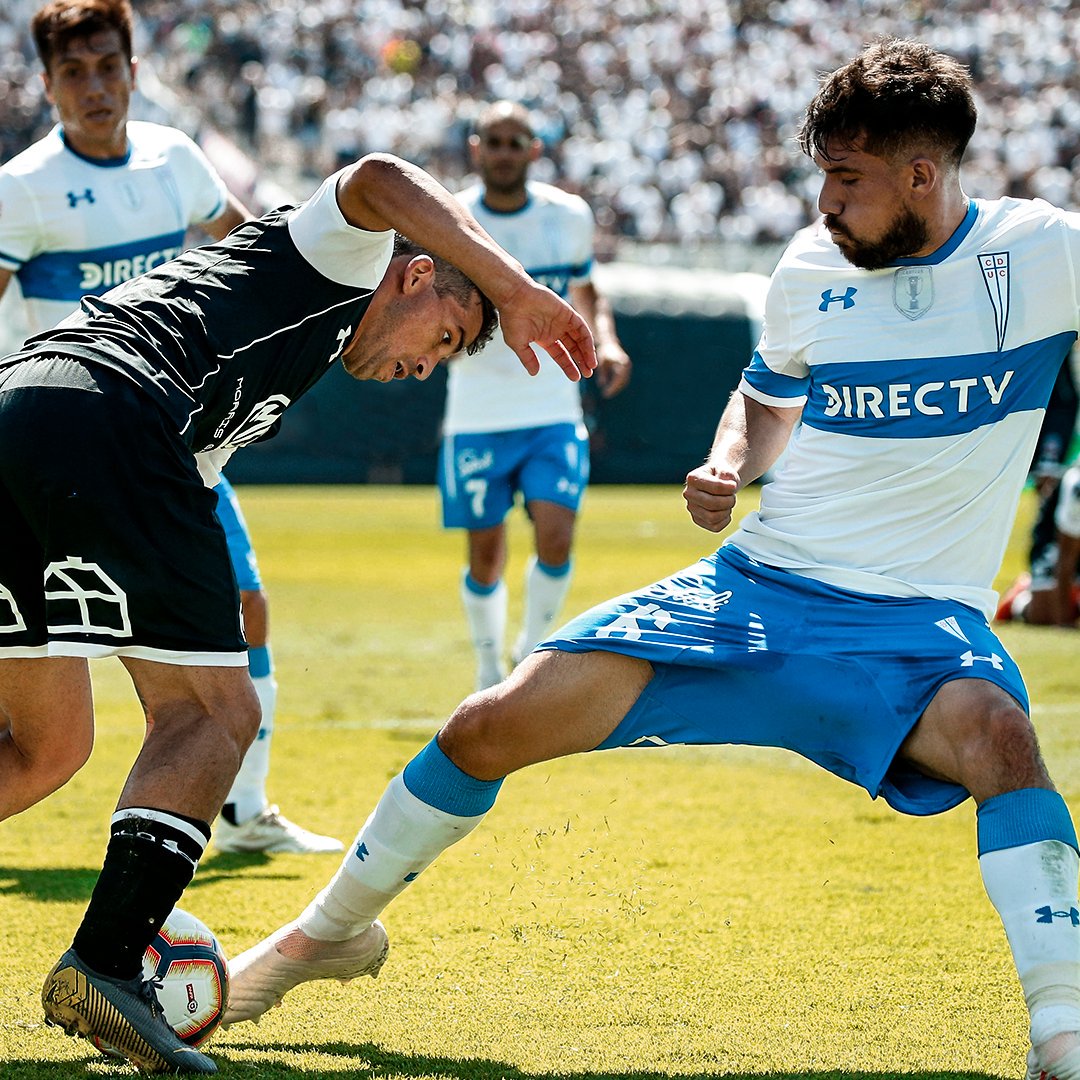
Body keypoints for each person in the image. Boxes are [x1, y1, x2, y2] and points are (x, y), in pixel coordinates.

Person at [225, 39, 1080, 1079]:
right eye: (820, 175)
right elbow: (769, 397)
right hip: (756, 589)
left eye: (846, 179)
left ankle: (1062, 1035)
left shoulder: (1041, 257)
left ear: (922, 174)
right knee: (486, 724)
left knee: (1000, 740)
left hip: (913, 626)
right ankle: (321, 939)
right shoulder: (813, 268)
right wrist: (730, 461)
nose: (824, 202)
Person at [0, 122, 595, 1073]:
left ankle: (106, 962)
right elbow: (378, 174)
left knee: (43, 748)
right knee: (213, 714)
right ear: (413, 277)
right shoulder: (343, 256)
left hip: (24, 412)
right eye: (441, 338)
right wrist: (517, 289)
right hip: (111, 409)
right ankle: (104, 968)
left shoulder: (294, 354)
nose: (421, 368)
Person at [0, 0, 341, 855]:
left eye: (107, 66)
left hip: (180, 442)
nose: (94, 87)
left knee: (246, 606)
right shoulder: (22, 189)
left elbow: (251, 248)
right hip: (64, 446)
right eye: (72, 72)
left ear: (135, 72)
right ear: (46, 86)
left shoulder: (175, 160)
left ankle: (245, 810)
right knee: (46, 705)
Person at [439, 100, 631, 690]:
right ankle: (485, 665)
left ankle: (530, 656)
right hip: (475, 412)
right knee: (485, 554)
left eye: (514, 141)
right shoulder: (449, 218)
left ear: (534, 149)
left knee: (556, 535)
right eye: (492, 141)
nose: (502, 152)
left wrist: (608, 343)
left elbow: (585, 287)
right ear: (476, 148)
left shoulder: (567, 215)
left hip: (551, 406)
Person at [996, 361, 1080, 626]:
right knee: (1044, 614)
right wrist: (1062, 624)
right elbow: (1066, 554)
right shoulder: (1076, 486)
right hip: (1063, 541)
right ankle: (1023, 596)